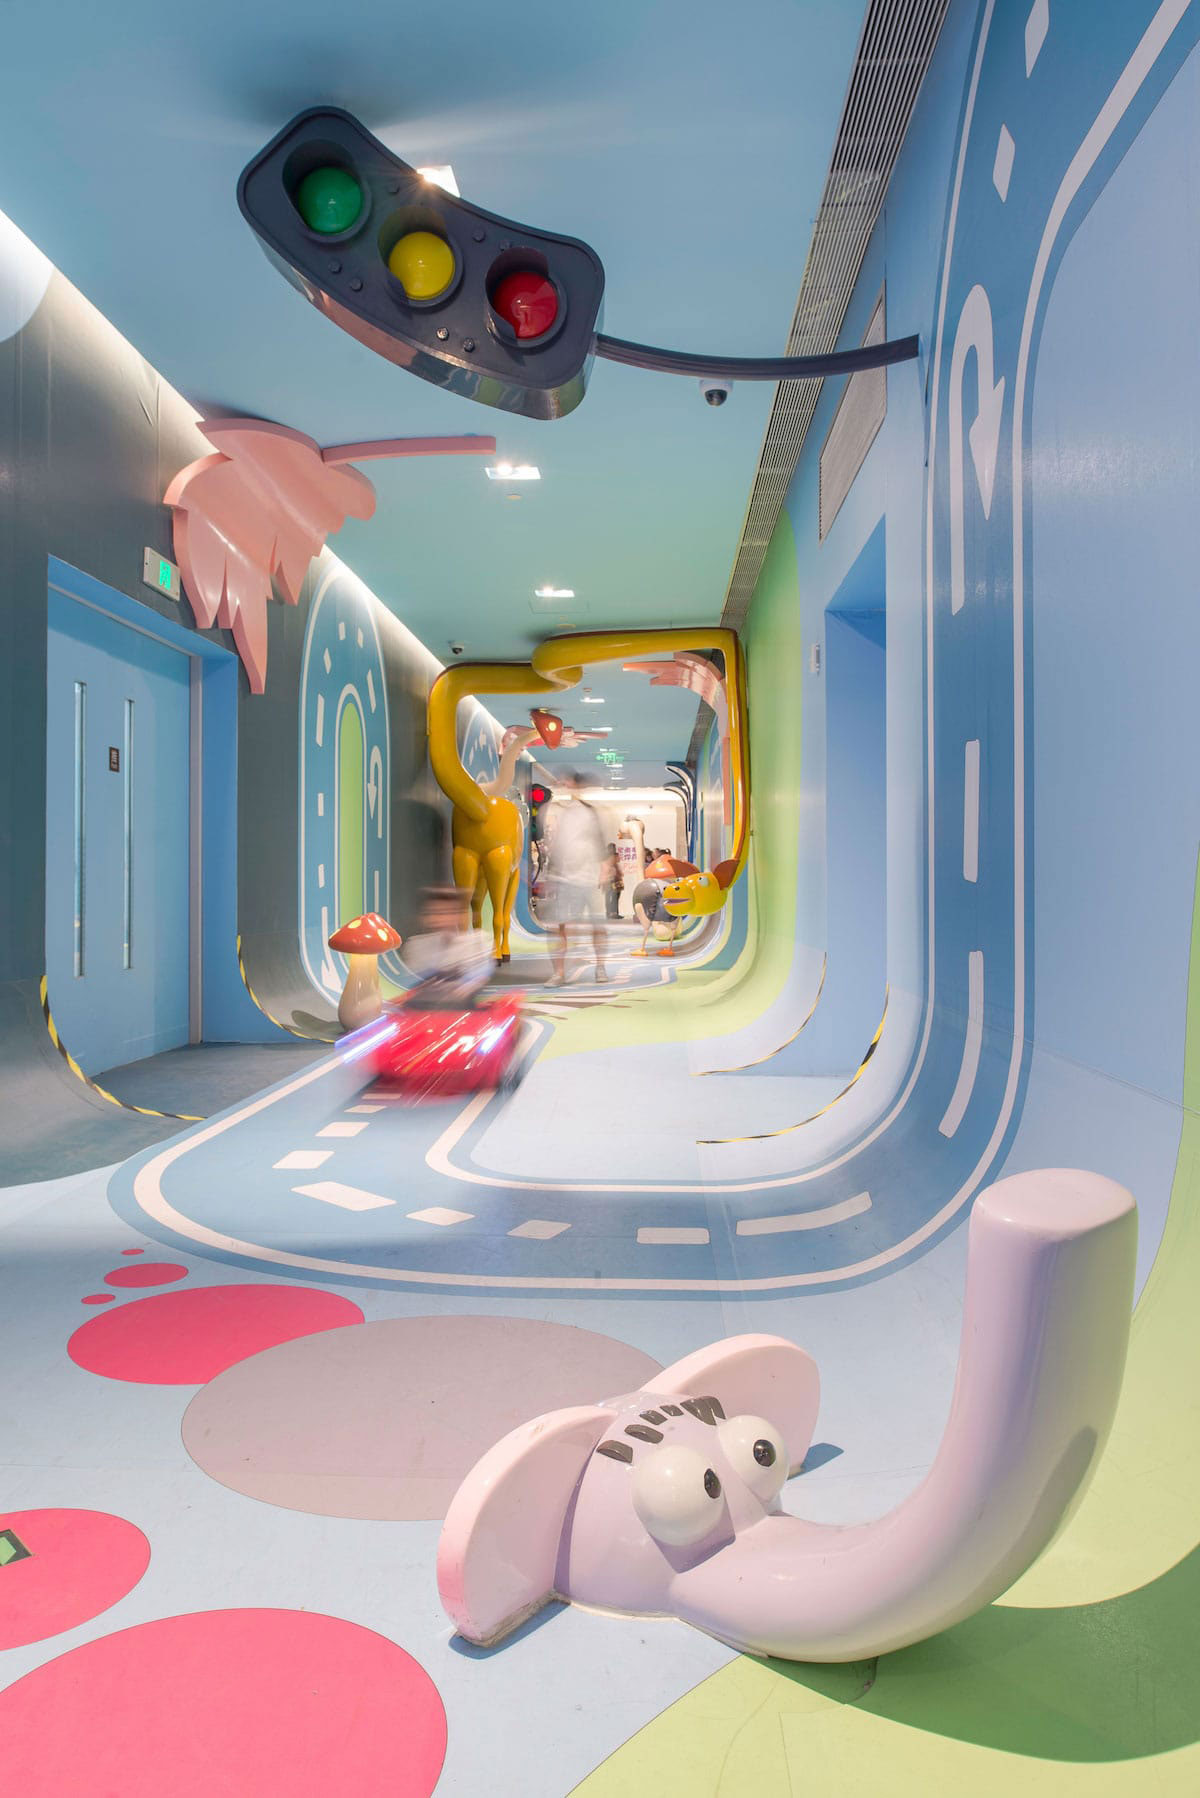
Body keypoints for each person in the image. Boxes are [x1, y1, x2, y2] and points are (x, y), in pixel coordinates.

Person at [541, 771, 608, 984]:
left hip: (589, 879)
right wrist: (552, 876)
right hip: (564, 879)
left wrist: (604, 870)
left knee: (597, 926)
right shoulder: (559, 811)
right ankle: (559, 973)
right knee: (560, 927)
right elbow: (556, 846)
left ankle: (600, 966)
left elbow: (600, 843)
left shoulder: (590, 812)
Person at [403, 885, 494, 1006]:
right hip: (423, 1009)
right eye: (433, 912)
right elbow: (415, 982)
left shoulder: (478, 941)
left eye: (447, 912)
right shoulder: (415, 945)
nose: (439, 918)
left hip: (463, 1010)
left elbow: (479, 978)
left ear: (460, 915)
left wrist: (467, 986)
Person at [602, 842, 623, 920]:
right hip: (608, 880)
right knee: (608, 897)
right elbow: (603, 868)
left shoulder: (615, 855)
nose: (613, 849)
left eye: (614, 847)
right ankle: (609, 913)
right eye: (612, 847)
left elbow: (618, 862)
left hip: (616, 879)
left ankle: (615, 913)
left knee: (616, 897)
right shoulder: (605, 857)